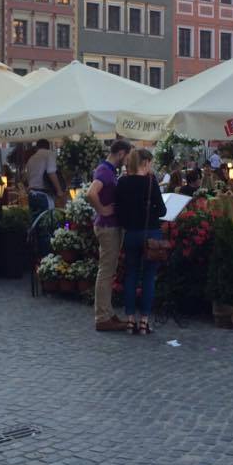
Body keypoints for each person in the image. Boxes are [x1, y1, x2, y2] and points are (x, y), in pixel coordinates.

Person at [115, 148, 166, 335]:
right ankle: (144, 321)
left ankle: (130, 321)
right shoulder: (151, 182)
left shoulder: (122, 182)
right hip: (151, 233)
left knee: (131, 276)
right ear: (145, 163)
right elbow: (162, 210)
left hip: (131, 234)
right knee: (149, 278)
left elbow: (119, 212)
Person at [86, 139, 133, 332]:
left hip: (109, 226)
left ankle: (107, 312)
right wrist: (102, 210)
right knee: (106, 272)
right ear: (121, 153)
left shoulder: (108, 170)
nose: (128, 159)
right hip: (107, 227)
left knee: (108, 271)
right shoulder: (105, 170)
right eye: (128, 155)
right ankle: (102, 317)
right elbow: (91, 193)